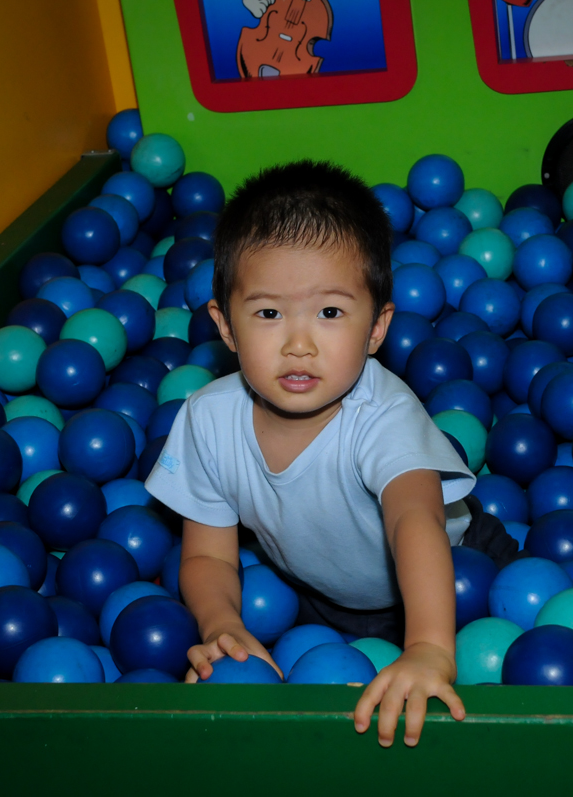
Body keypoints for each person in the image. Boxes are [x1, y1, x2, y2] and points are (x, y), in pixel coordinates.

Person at [145, 160, 521, 747]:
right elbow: (211, 557)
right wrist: (223, 625)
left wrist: (427, 650)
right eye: (268, 314)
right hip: (322, 596)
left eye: (330, 313)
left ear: (376, 329)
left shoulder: (382, 416)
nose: (299, 344)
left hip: (454, 573)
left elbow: (414, 521)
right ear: (225, 327)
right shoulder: (206, 420)